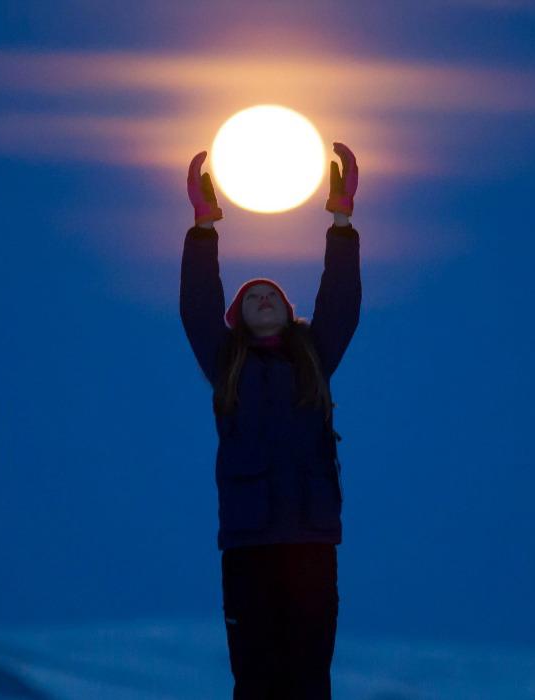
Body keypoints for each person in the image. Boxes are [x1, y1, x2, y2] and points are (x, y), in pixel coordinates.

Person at [180, 142, 362, 699]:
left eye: (271, 293)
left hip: (311, 543)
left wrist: (341, 219)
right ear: (238, 318)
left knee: (309, 677)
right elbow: (196, 304)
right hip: (248, 547)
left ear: (288, 310)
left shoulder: (314, 360)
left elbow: (341, 301)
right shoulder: (226, 365)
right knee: (256, 678)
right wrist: (204, 227)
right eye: (251, 295)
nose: (262, 297)